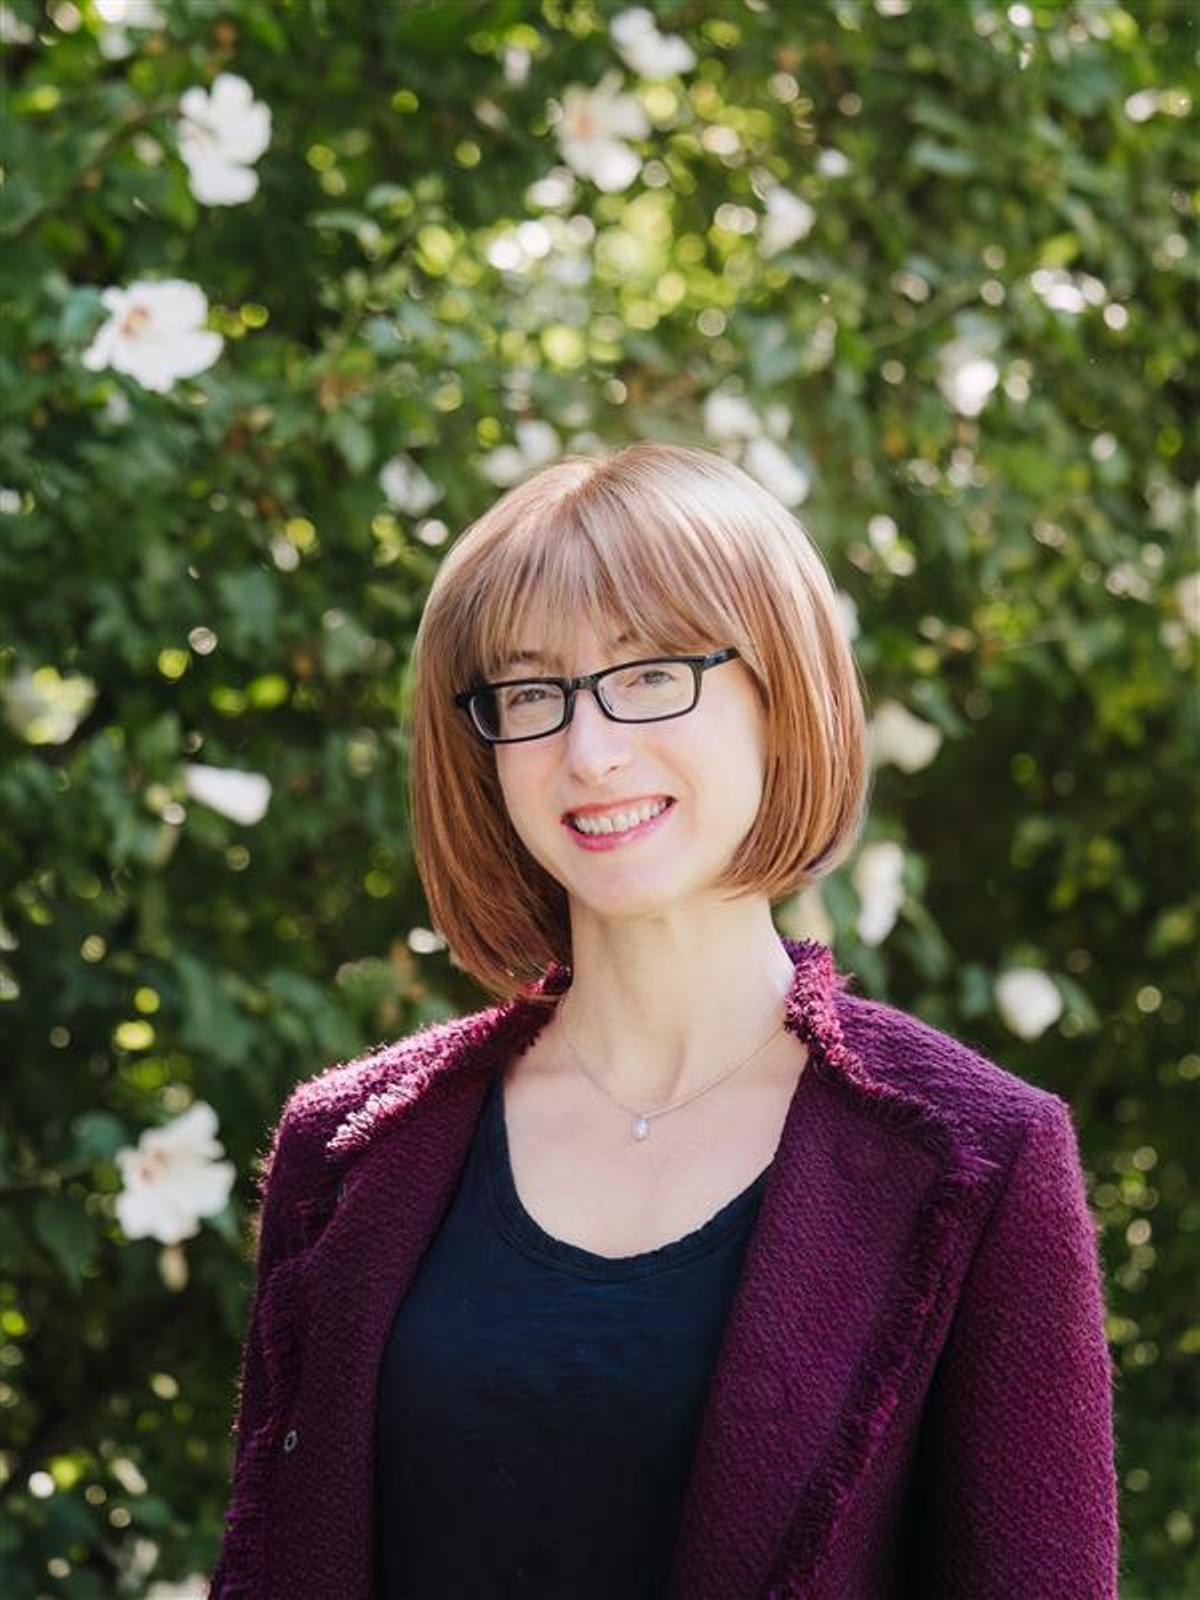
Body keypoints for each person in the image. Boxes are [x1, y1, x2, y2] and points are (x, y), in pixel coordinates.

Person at [209, 441, 1119, 1599]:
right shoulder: (348, 1149)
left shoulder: (978, 1159)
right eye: (533, 692)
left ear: (781, 695)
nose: (589, 751)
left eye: (649, 673)